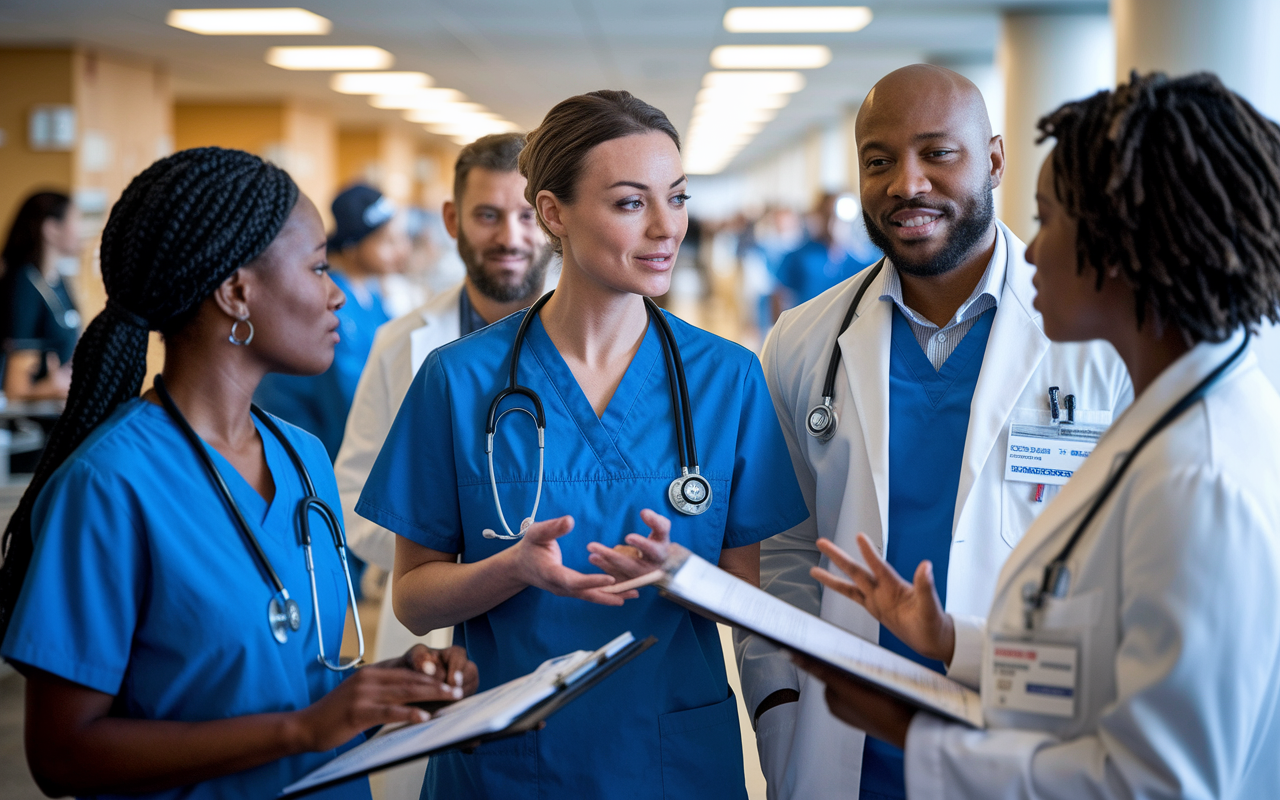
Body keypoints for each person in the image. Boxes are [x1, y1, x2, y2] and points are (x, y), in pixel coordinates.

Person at [796, 70, 1280, 800]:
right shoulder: (1181, 419)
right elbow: (1109, 664)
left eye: (1049, 221)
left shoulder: (1197, 476)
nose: (1030, 251)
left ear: (1124, 246)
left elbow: (1157, 785)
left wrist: (917, 738)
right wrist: (954, 643)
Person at [356, 90, 809, 800]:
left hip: (671, 759)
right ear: (553, 213)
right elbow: (414, 600)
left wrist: (683, 573)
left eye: (678, 197)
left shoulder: (726, 378)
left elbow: (749, 601)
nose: (668, 227)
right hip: (503, 765)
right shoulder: (459, 379)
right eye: (631, 203)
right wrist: (512, 570)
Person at [0, 147, 476, 799]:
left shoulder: (302, 456)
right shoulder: (109, 486)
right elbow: (61, 756)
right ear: (236, 291)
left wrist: (387, 689)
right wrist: (300, 730)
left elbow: (294, 681)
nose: (336, 293)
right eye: (316, 267)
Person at [735, 64, 1134, 800]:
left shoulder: (1098, 342)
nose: (905, 184)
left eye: (936, 153)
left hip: (1032, 743)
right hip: (842, 748)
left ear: (992, 158)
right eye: (878, 160)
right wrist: (779, 707)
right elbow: (782, 550)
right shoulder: (802, 340)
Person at [333, 131, 551, 799]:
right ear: (455, 221)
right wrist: (451, 553)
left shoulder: (604, 336)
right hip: (433, 621)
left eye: (523, 216)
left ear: (552, 216)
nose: (509, 236)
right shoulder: (403, 345)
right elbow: (352, 494)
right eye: (487, 215)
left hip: (562, 620)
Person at [256, 183, 408, 461]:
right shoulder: (332, 302)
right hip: (308, 440)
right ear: (353, 247)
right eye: (387, 242)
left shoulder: (371, 295)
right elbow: (348, 404)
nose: (401, 250)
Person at [0, 190, 81, 402]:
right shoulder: (24, 285)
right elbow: (15, 389)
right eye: (76, 220)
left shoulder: (59, 282)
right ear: (51, 228)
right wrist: (53, 388)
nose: (82, 231)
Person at [770, 192, 879, 320]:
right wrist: (779, 331)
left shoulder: (863, 260)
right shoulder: (799, 257)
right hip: (806, 330)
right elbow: (779, 295)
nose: (834, 222)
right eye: (828, 215)